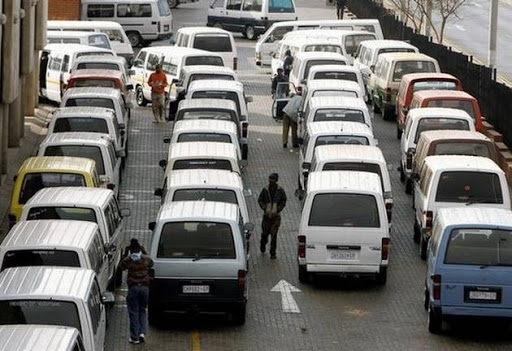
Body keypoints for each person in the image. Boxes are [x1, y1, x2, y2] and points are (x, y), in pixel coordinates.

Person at [120, 241, 154, 344]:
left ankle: (134, 337)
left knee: (133, 312)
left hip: (133, 288)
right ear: (140, 249)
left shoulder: (128, 260)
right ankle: (142, 333)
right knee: (143, 310)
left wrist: (125, 253)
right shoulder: (146, 259)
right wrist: (144, 252)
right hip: (145, 289)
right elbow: (151, 263)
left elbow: (121, 267)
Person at [258, 173, 287, 259]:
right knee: (265, 234)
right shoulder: (265, 190)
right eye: (270, 179)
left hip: (276, 217)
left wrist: (278, 209)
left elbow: (283, 200)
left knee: (274, 236)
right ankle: (263, 245)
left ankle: (273, 253)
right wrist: (264, 207)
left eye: (273, 179)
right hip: (266, 217)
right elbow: (260, 200)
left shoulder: (280, 191)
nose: (271, 181)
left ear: (276, 180)